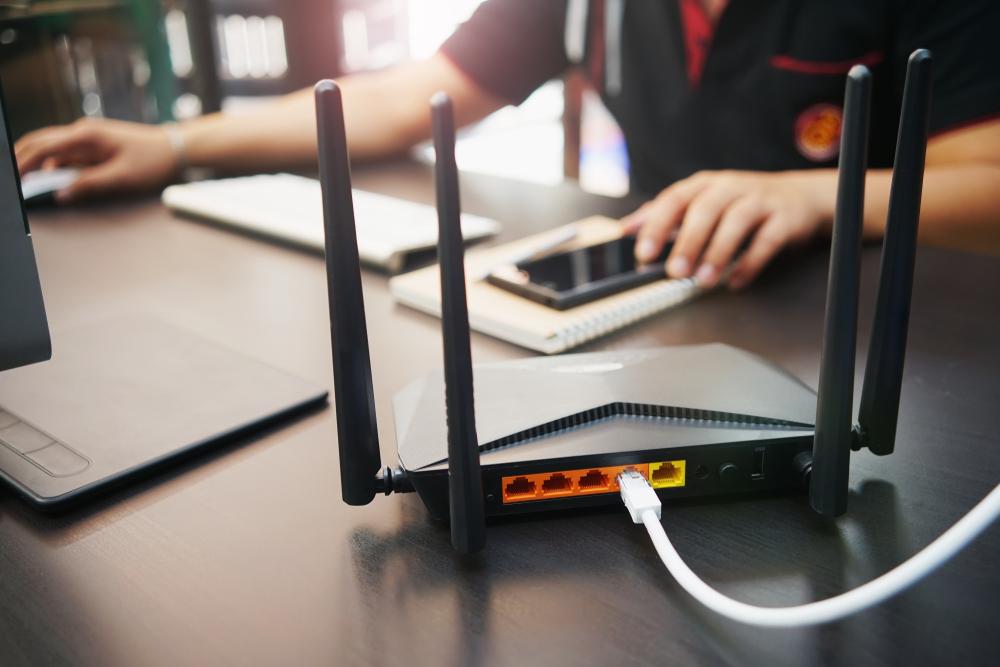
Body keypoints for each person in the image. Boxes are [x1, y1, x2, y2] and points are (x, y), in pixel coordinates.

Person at [14, 0, 1000, 289]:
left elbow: (986, 184)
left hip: (886, 336)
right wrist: (174, 144)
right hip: (669, 292)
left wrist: (815, 198)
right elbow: (406, 98)